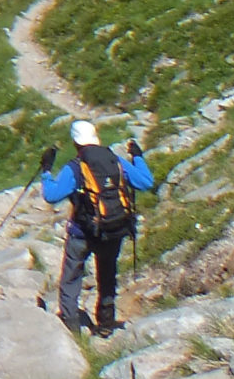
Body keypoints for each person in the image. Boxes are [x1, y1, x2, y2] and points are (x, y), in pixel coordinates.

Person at [38, 118, 154, 336]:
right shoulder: (116, 160)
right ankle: (106, 323)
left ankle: (71, 325)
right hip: (113, 229)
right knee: (107, 274)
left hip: (82, 232)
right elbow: (146, 182)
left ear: (75, 143)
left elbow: (52, 195)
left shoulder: (75, 167)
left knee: (72, 275)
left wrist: (46, 171)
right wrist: (138, 156)